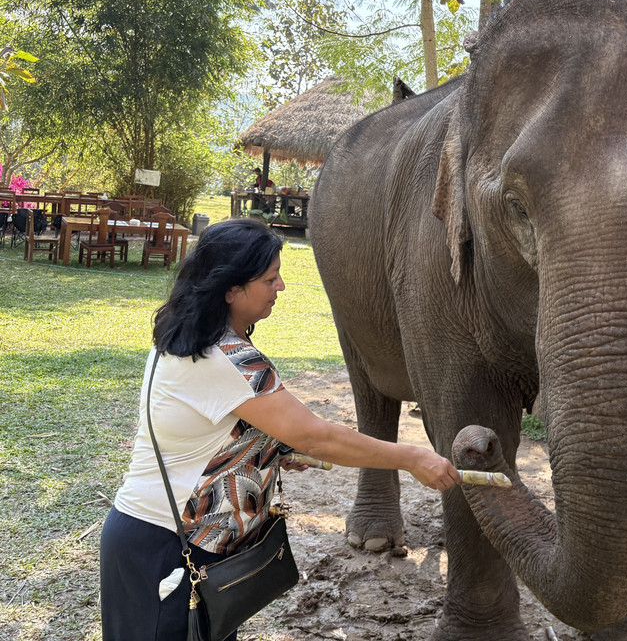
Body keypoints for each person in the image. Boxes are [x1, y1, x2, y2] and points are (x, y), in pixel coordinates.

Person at [99, 218, 460, 641]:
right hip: (164, 546)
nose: (281, 287)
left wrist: (270, 452)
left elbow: (213, 431)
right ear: (231, 288)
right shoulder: (225, 358)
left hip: (178, 543)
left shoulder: (191, 340)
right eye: (270, 279)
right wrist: (412, 457)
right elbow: (316, 436)